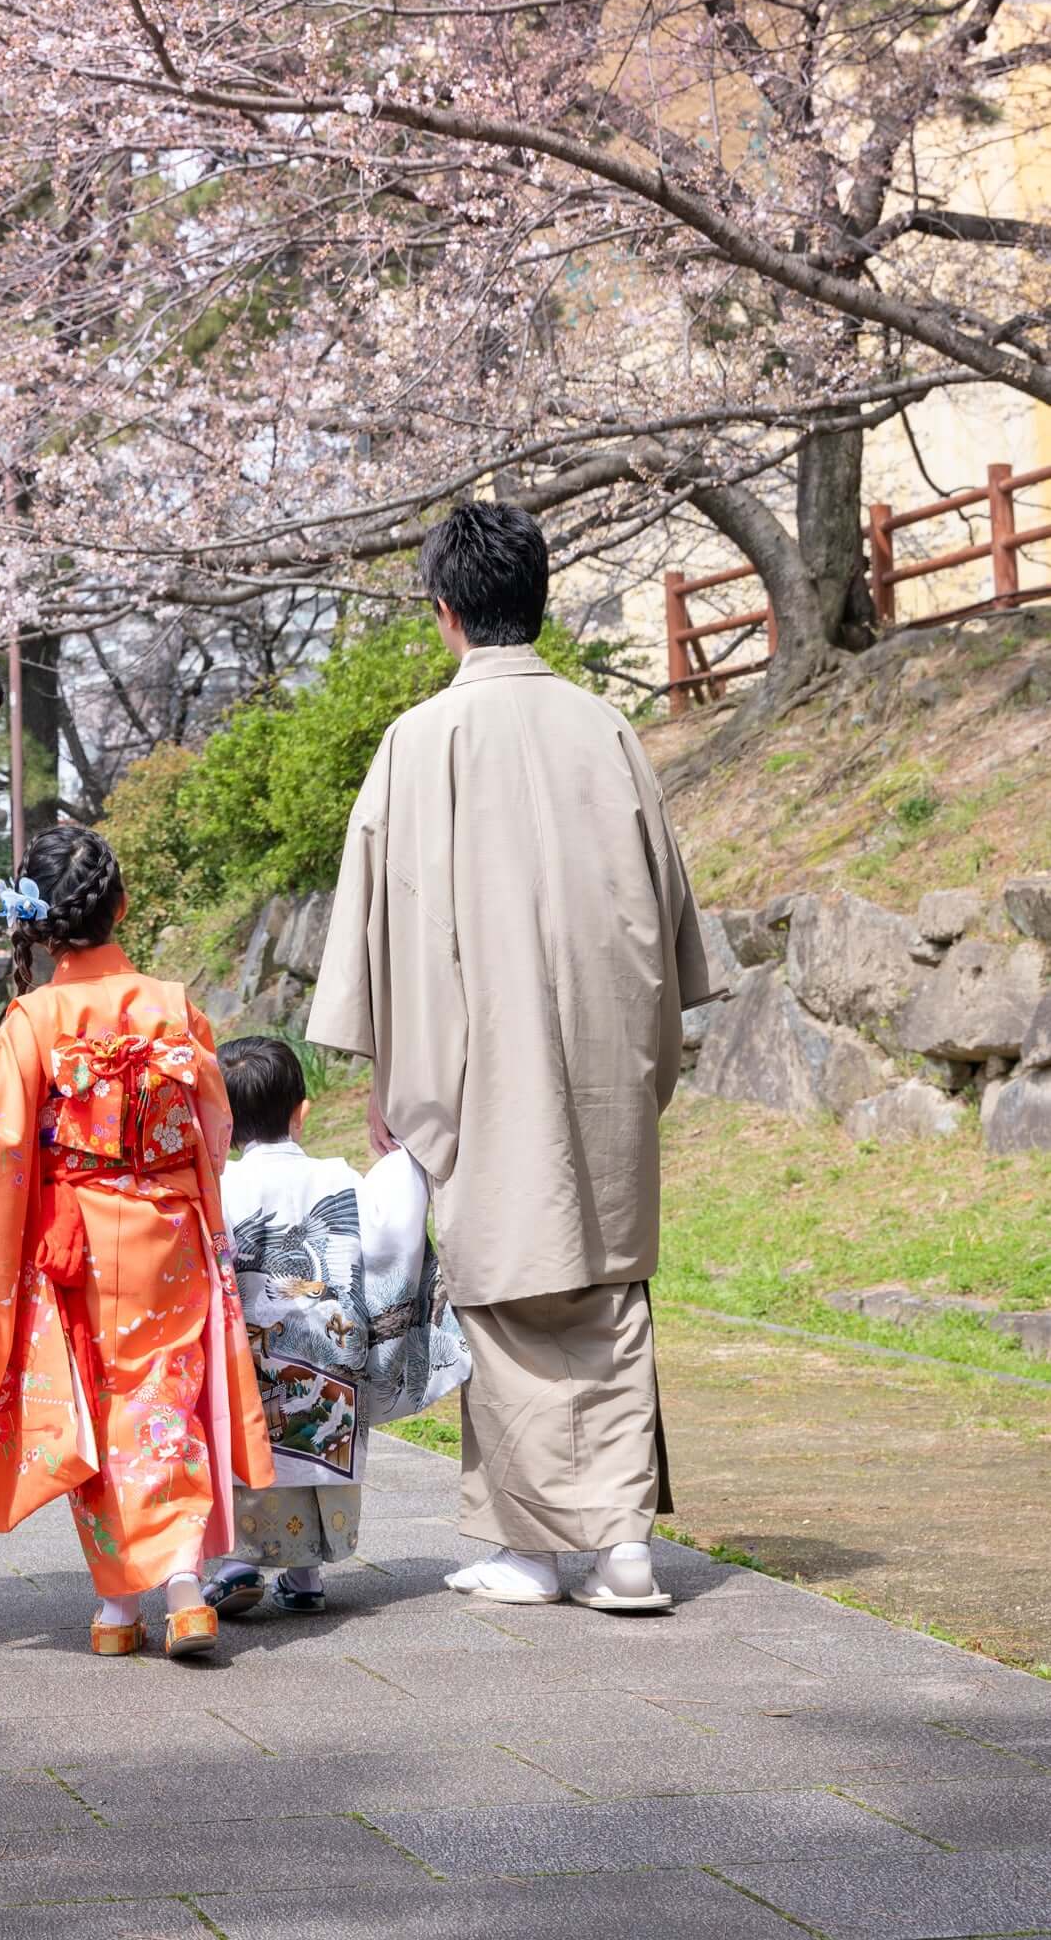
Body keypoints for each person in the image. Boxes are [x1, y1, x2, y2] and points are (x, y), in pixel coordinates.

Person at [305, 503, 714, 1614]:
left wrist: (392, 1081)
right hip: (600, 1055)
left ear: (443, 612)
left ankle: (532, 1550)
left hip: (479, 1062)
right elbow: (668, 921)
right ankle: (621, 1544)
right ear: (534, 597)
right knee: (606, 1289)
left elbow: (382, 938)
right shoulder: (607, 728)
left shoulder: (417, 741)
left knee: (506, 1291)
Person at [0, 825, 272, 1665]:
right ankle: (180, 1588)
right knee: (164, 1403)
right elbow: (213, 1125)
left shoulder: (36, 1016)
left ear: (40, 926)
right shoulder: (174, 1004)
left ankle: (112, 1607)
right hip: (169, 1232)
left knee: (94, 1413)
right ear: (121, 906)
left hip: (82, 1243)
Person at [202, 1035, 468, 1619]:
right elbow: (392, 1234)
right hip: (332, 1363)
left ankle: (237, 1565)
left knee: (247, 1447)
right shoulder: (340, 1178)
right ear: (303, 1112)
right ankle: (305, 1575)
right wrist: (405, 1158)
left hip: (248, 1365)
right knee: (318, 1443)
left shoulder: (218, 1186)